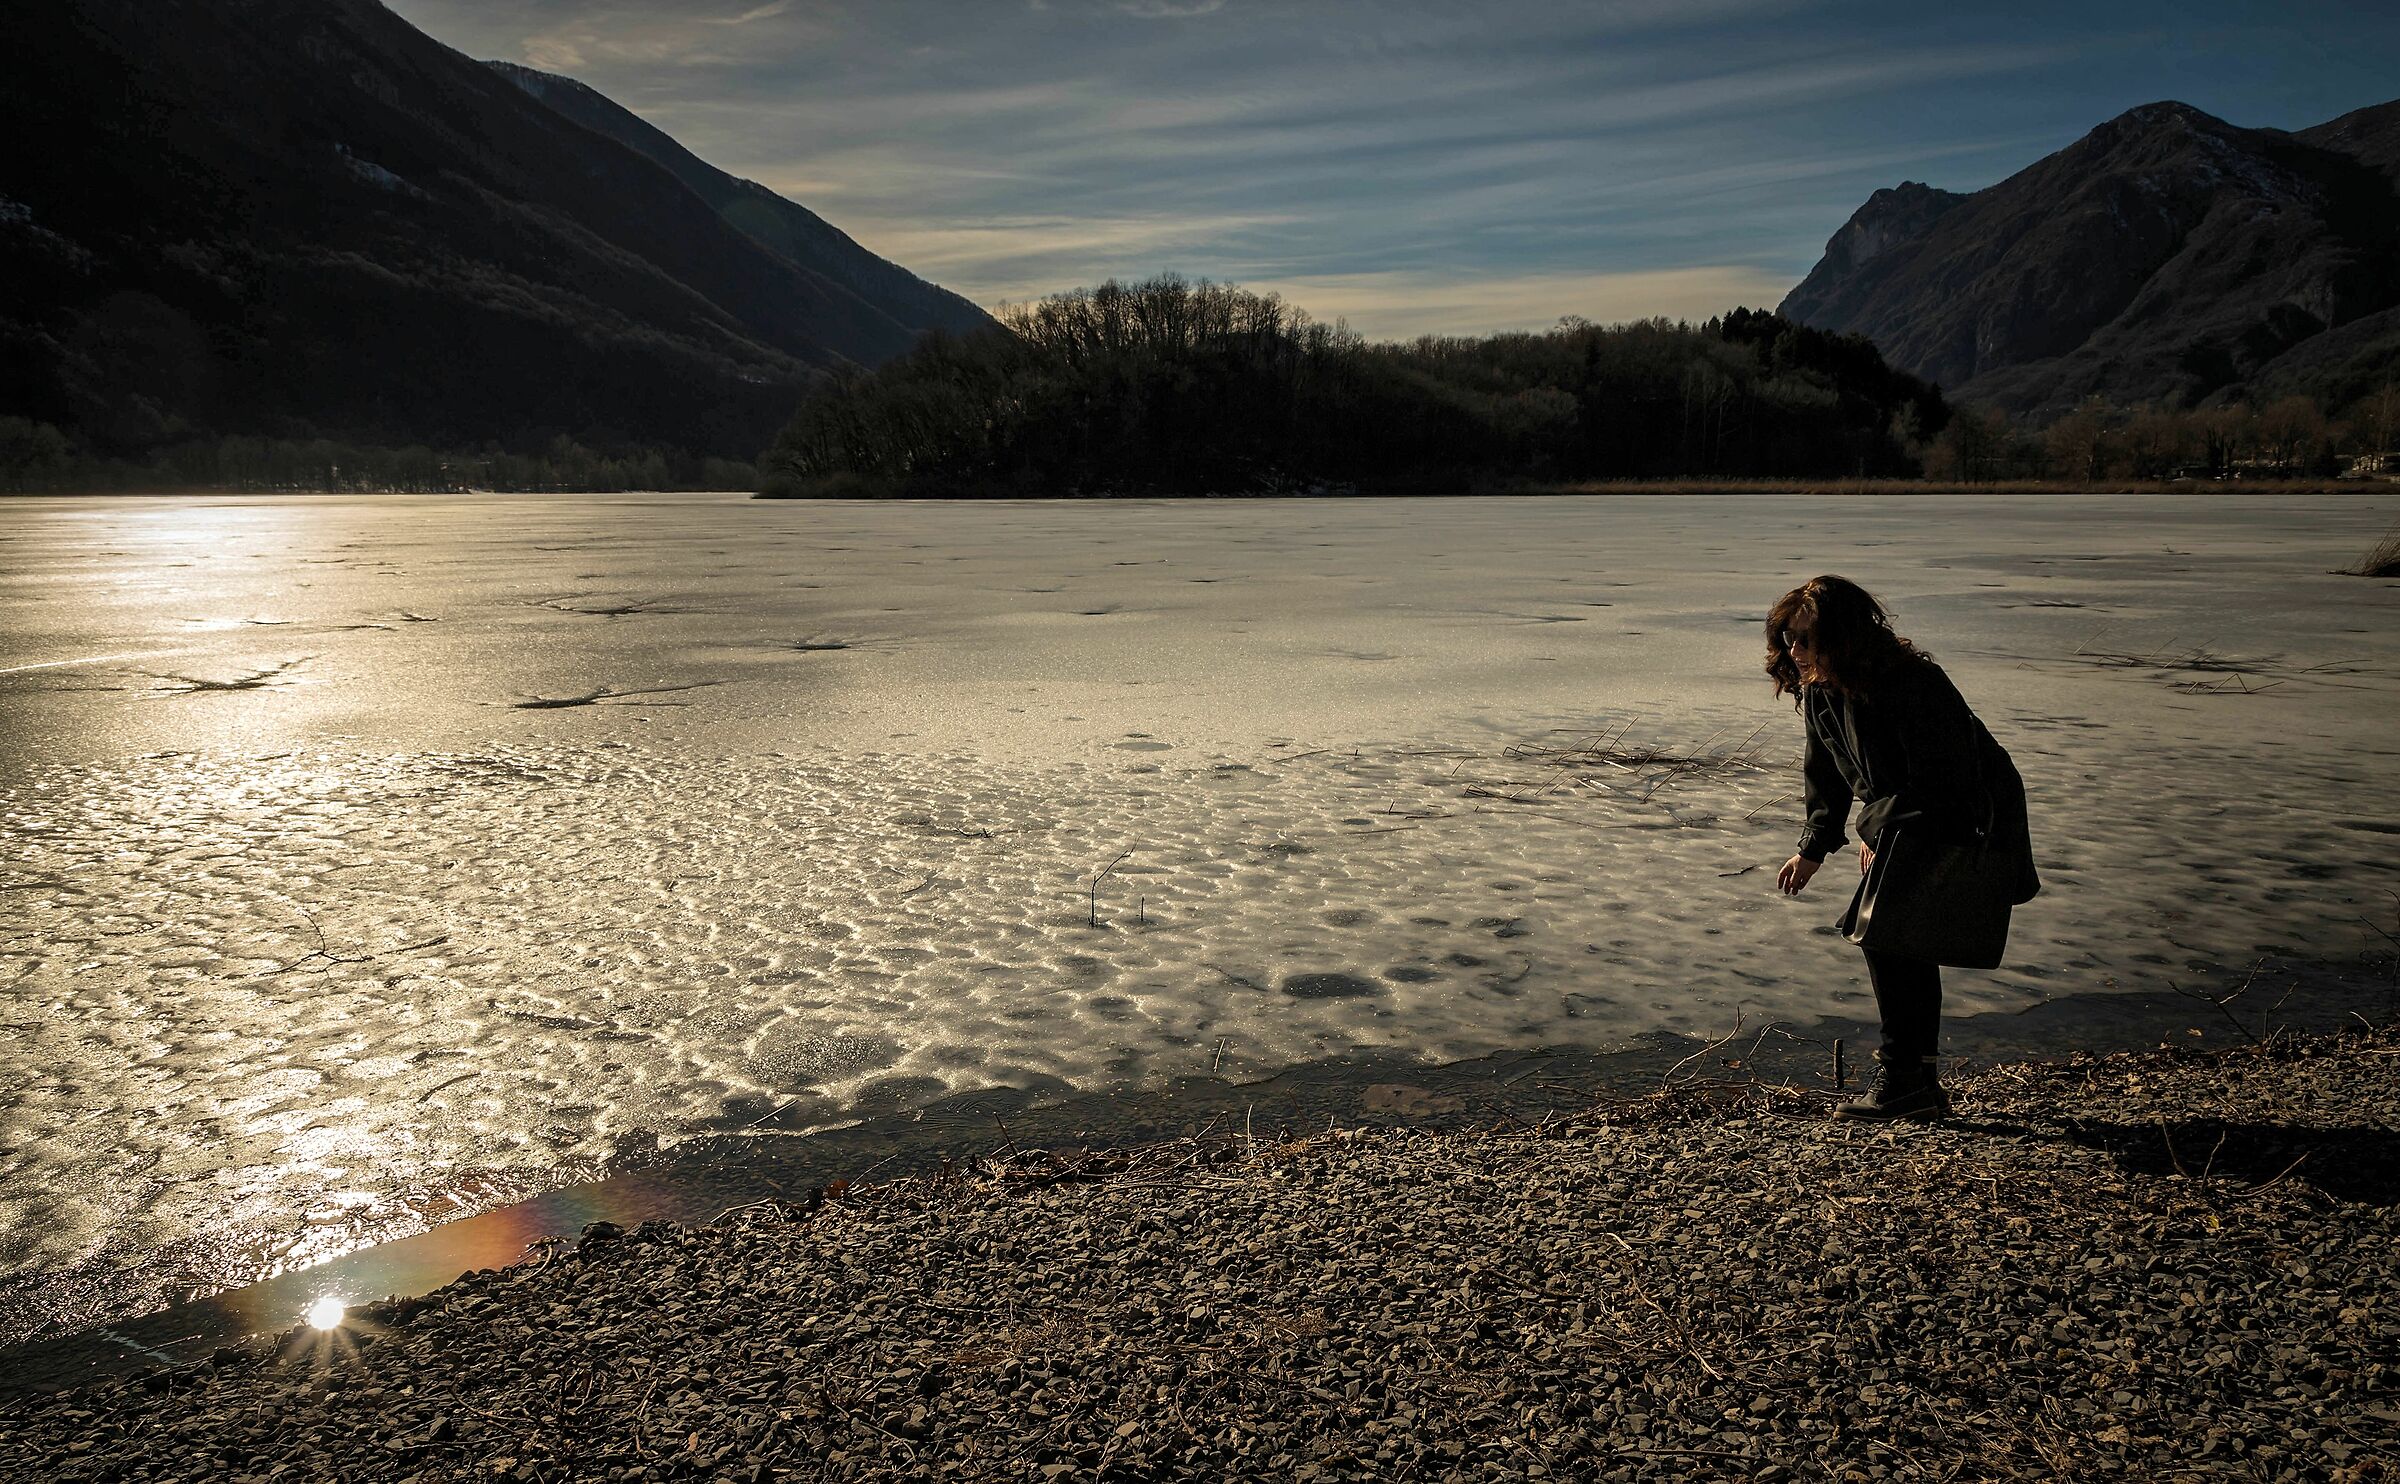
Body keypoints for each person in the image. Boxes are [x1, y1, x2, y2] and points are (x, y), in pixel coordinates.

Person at [1767, 575, 2038, 1120]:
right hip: (1904, 817)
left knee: (1889, 935)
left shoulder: (1915, 683)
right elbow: (1826, 774)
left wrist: (1879, 828)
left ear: (1843, 638)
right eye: (1786, 637)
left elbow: (1947, 779)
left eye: (1803, 638)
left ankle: (1906, 1081)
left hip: (1968, 813)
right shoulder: (1821, 689)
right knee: (1895, 938)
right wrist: (1814, 848)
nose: (1792, 651)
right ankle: (1915, 1082)